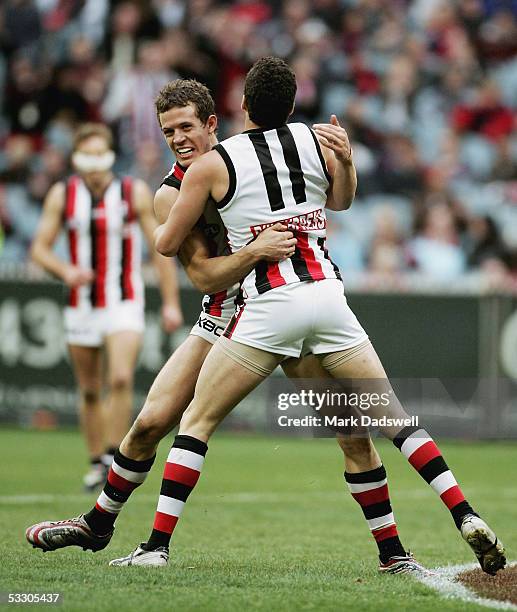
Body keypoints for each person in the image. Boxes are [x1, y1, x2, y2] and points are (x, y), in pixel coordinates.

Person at [26, 80, 423, 575]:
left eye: (186, 127)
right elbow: (204, 276)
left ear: (212, 124)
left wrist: (344, 161)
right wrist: (254, 252)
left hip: (286, 303)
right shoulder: (170, 196)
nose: (178, 139)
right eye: (168, 131)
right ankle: (98, 523)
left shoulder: (256, 158)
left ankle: (394, 554)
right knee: (151, 420)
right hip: (225, 315)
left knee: (350, 432)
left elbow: (329, 204)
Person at [149, 57, 503, 576]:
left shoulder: (212, 163)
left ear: (240, 106)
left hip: (269, 305)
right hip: (329, 298)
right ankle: (461, 514)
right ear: (294, 105)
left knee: (196, 422)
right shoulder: (316, 142)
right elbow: (341, 201)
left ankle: (155, 547)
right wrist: (349, 161)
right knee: (393, 422)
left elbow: (164, 243)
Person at [30, 123, 183, 490]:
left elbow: (160, 248)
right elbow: (39, 248)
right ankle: (96, 460)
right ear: (77, 160)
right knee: (88, 388)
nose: (95, 164)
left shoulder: (133, 192)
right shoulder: (61, 194)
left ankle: (116, 455)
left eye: (101, 155)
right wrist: (65, 270)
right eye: (88, 156)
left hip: (124, 299)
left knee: (120, 378)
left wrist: (171, 303)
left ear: (110, 156)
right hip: (81, 303)